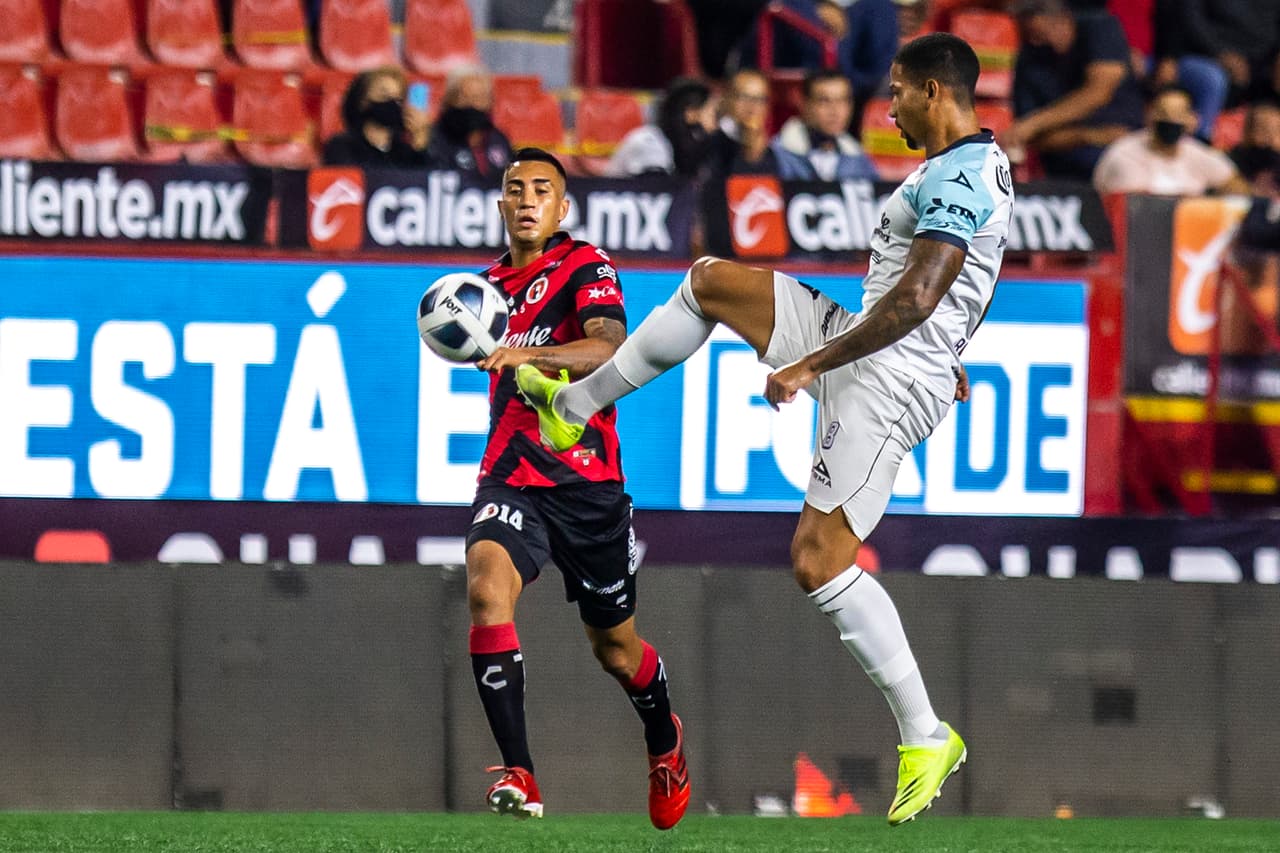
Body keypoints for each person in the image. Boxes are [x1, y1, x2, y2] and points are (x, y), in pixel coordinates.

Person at [517, 33, 1009, 826]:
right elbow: (947, 292)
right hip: (880, 346)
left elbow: (921, 297)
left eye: (896, 92)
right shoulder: (961, 167)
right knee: (711, 282)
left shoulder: (961, 172)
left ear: (931, 90)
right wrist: (943, 344)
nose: (887, 108)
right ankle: (572, 408)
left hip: (886, 377)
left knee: (818, 561)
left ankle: (926, 732)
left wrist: (814, 363)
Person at [463, 148, 690, 830]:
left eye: (542, 190)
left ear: (563, 208)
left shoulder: (584, 264)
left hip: (588, 485)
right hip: (511, 474)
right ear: (501, 205)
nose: (527, 199)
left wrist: (527, 355)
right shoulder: (481, 289)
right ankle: (519, 772)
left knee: (616, 649)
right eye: (514, 190)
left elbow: (610, 347)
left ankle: (663, 737)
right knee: (484, 586)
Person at [1007, 0, 1144, 180]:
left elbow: (1099, 91)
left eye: (1040, 34)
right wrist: (1088, 136)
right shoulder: (1030, 58)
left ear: (1064, 20)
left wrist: (1033, 124)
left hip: (1125, 151)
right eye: (1029, 35)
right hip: (1063, 164)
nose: (1035, 42)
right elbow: (1033, 139)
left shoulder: (1100, 28)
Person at [1093, 85, 1249, 196]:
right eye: (1164, 113)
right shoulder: (1124, 154)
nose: (1170, 120)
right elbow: (1133, 206)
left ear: (1192, 120)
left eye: (1178, 114)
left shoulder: (1198, 153)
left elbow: (1236, 185)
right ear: (1150, 115)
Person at [774, 69, 879, 181]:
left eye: (842, 101)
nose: (835, 111)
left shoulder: (858, 158)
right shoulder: (777, 154)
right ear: (804, 104)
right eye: (824, 101)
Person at [605, 77, 718, 178]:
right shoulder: (649, 141)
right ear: (691, 114)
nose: (717, 123)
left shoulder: (696, 145)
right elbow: (654, 193)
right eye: (713, 114)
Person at [322, 67, 433, 167]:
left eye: (398, 99)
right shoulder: (340, 146)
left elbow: (428, 180)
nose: (392, 103)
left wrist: (420, 141)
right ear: (362, 101)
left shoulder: (403, 151)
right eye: (385, 96)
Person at [427, 64, 513, 178]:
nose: (472, 105)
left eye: (479, 98)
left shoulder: (499, 139)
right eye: (465, 98)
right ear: (450, 100)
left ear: (490, 102)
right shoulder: (435, 137)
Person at [705, 69, 788, 177]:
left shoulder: (777, 151)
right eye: (744, 97)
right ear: (727, 99)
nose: (752, 107)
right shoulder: (710, 144)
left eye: (760, 99)